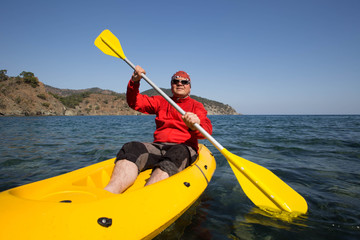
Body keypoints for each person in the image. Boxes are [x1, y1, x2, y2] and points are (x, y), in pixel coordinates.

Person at [104, 66, 212, 194]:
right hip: (159, 146)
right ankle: (109, 192)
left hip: (183, 147)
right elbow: (135, 102)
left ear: (189, 86)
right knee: (131, 147)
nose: (179, 84)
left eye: (184, 82)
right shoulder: (161, 100)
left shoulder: (196, 106)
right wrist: (134, 81)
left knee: (177, 152)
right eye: (175, 81)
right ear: (171, 85)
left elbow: (207, 131)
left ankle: (146, 196)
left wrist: (194, 125)